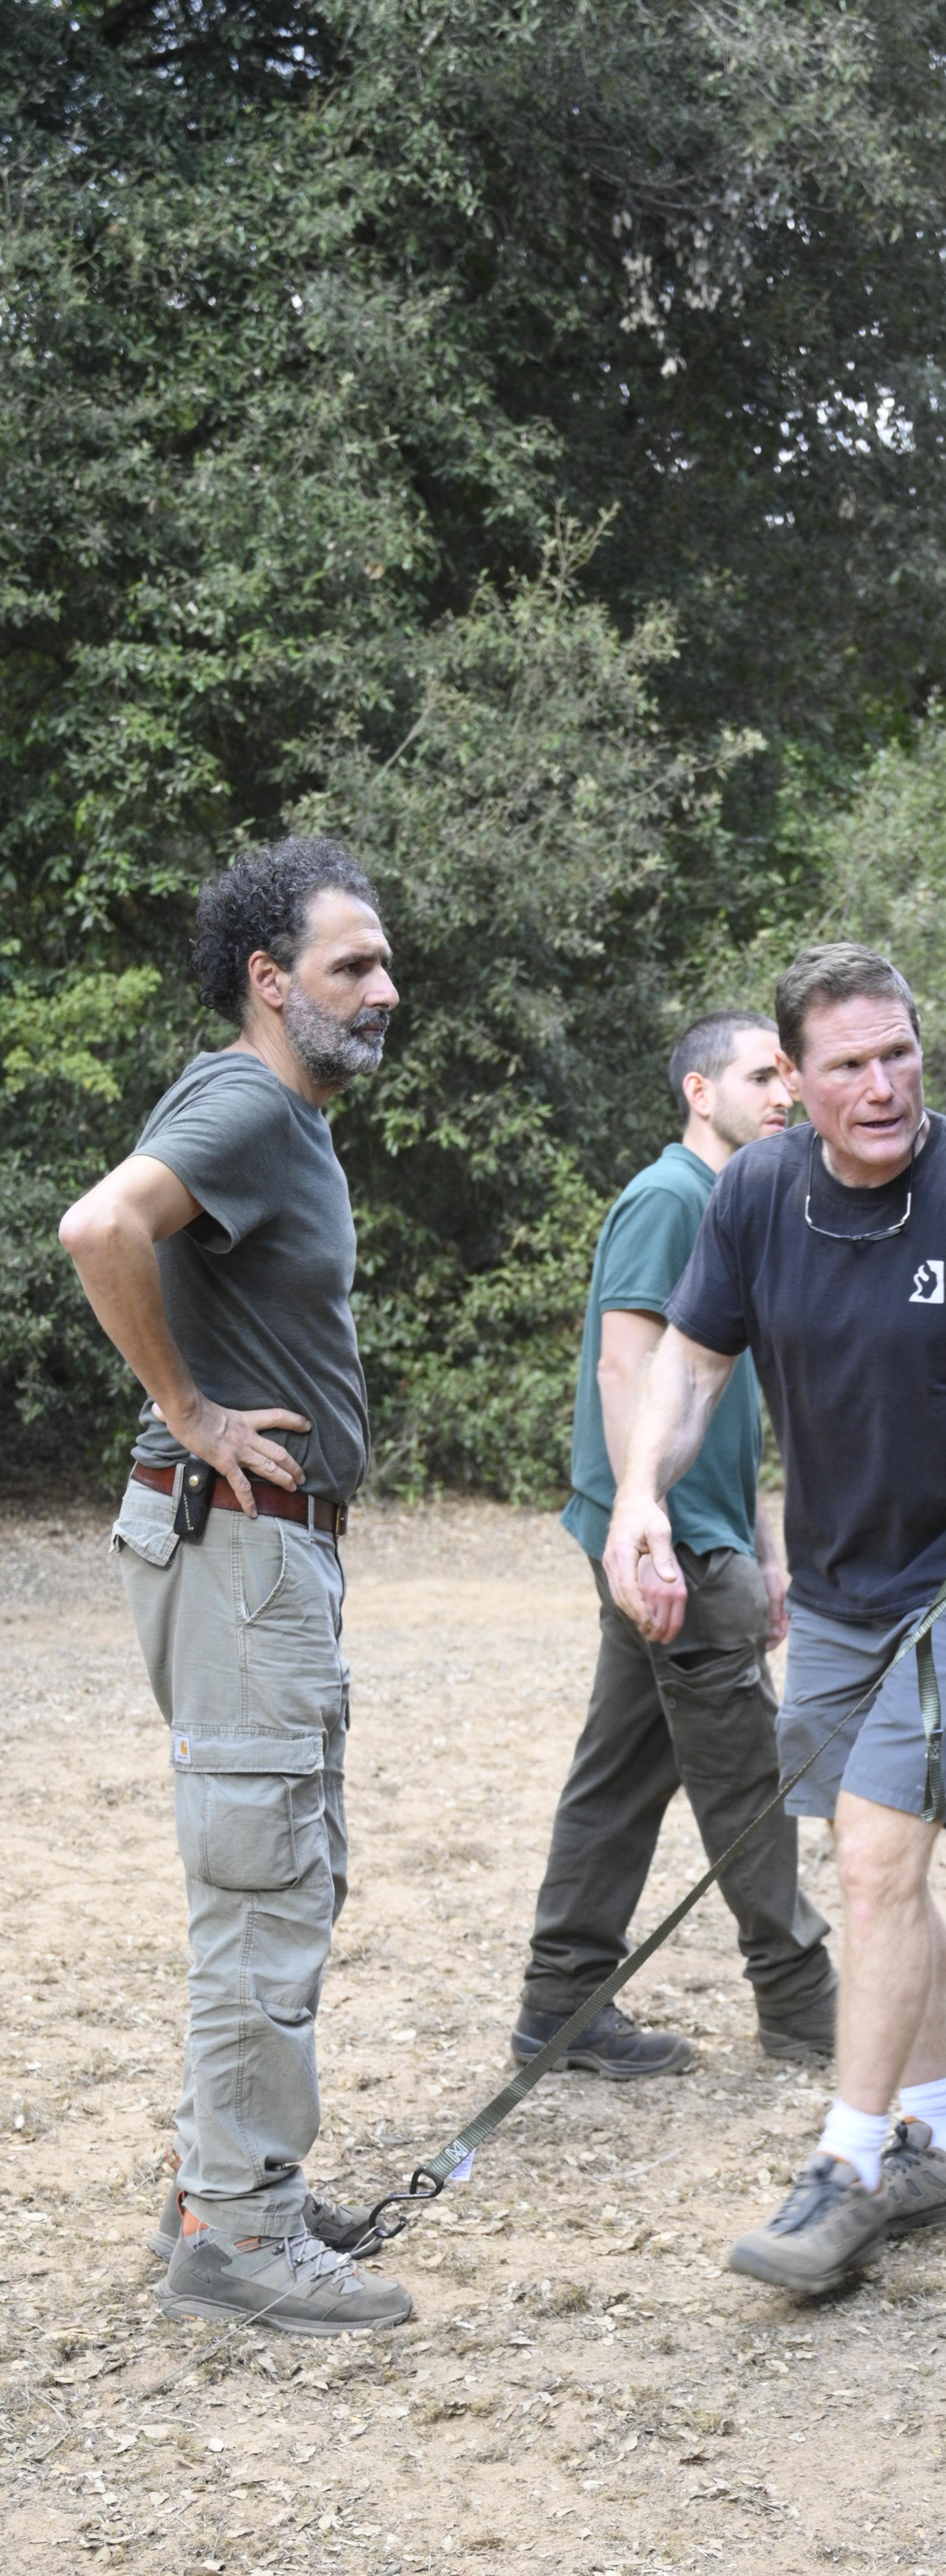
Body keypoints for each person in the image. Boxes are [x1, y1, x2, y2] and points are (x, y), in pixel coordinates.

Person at [601, 941, 946, 2299]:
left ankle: (846, 2167)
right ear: (793, 1078)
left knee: (872, 1867)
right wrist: (640, 1497)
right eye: (848, 1065)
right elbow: (690, 1364)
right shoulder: (757, 1192)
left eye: (899, 1053)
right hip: (838, 1590)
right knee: (878, 1871)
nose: (883, 1085)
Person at [58, 837, 415, 2338]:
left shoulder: (277, 1118)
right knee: (264, 1888)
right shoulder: (251, 1104)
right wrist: (191, 1411)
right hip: (238, 1544)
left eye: (385, 964)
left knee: (279, 1873)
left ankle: (222, 2184)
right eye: (352, 966)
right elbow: (100, 1227)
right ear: (271, 981)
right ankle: (243, 2238)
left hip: (260, 1553)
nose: (384, 991)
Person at [512, 1014, 836, 2074]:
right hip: (672, 1542)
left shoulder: (739, 1207)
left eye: (787, 1077)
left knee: (621, 1771)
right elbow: (625, 1367)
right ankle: (804, 2007)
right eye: (760, 1076)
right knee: (749, 1773)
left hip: (706, 1530)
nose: (784, 1094)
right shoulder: (670, 1199)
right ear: (700, 1092)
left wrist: (767, 1547)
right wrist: (643, 1529)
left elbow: (736, 1405)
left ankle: (561, 2007)